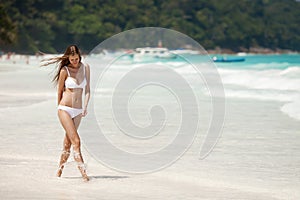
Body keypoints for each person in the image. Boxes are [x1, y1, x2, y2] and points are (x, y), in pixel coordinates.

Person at [41, 45, 90, 182]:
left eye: (76, 59)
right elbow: (59, 91)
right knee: (76, 141)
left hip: (79, 111)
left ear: (79, 56)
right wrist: (59, 108)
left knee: (67, 144)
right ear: (68, 58)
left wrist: (85, 106)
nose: (74, 61)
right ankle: (85, 176)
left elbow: (87, 90)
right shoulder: (65, 70)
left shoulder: (85, 68)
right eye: (72, 59)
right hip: (65, 109)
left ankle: (59, 172)